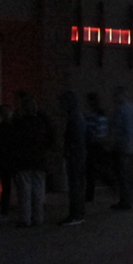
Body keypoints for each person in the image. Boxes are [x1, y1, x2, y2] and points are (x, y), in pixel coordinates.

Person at [13, 94, 55, 227]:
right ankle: (38, 218)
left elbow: (14, 142)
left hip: (24, 161)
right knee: (38, 191)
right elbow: (51, 138)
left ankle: (25, 219)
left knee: (24, 191)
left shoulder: (20, 123)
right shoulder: (42, 123)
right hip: (39, 160)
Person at [58, 90, 87, 226]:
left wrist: (68, 153)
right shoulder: (77, 116)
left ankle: (76, 215)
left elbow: (74, 139)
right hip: (79, 156)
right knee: (78, 186)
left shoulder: (74, 117)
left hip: (75, 157)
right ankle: (78, 213)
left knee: (75, 186)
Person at [110, 86, 133, 210]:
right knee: (125, 173)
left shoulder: (121, 110)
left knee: (122, 174)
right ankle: (127, 198)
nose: (114, 98)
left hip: (122, 146)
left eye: (116, 95)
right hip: (130, 146)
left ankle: (125, 201)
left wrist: (113, 141)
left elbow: (118, 130)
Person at [84, 92, 109, 203]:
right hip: (96, 144)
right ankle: (89, 195)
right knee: (93, 171)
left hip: (94, 145)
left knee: (92, 171)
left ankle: (89, 195)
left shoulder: (94, 115)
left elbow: (95, 131)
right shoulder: (97, 114)